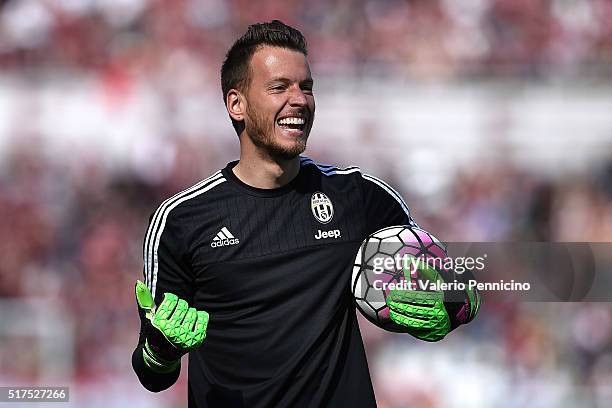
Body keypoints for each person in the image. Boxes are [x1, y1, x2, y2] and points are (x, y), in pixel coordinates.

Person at [132, 20, 479, 408]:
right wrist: (160, 351)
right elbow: (152, 376)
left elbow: (452, 281)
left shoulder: (359, 197)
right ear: (237, 104)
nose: (299, 99)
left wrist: (455, 302)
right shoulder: (182, 219)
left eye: (306, 87)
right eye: (279, 87)